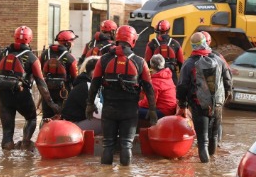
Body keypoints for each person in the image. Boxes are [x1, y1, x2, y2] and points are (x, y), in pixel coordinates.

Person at [86, 25, 158, 166]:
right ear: (132, 41)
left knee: (108, 145)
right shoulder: (140, 62)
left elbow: (94, 84)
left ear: (117, 39)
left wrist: (89, 104)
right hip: (130, 111)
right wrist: (152, 110)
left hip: (109, 110)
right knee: (126, 145)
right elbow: (149, 88)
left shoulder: (104, 60)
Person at [0, 26, 61, 150]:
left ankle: (7, 159)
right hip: (22, 95)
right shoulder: (32, 58)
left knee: (7, 131)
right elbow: (41, 83)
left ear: (14, 37)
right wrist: (51, 103)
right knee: (31, 118)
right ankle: (26, 142)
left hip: (3, 96)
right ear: (30, 39)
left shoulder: (3, 54)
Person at [176, 32, 233, 163]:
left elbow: (182, 86)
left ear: (192, 46)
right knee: (213, 136)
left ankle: (204, 170)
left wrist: (183, 104)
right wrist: (225, 97)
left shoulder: (189, 63)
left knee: (203, 140)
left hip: (198, 105)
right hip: (217, 104)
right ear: (205, 43)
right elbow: (228, 79)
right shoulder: (218, 59)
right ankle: (211, 171)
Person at [39, 30, 79, 120]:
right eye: (73, 42)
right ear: (68, 43)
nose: (73, 44)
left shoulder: (44, 54)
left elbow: (38, 70)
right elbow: (75, 79)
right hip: (63, 93)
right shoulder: (70, 58)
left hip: (46, 92)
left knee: (46, 117)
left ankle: (45, 131)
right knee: (63, 116)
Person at [61, 56, 103, 135]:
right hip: (72, 127)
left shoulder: (84, 83)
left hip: (75, 123)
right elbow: (97, 112)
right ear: (94, 72)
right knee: (108, 122)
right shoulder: (87, 86)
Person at [144, 19, 184, 86]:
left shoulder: (151, 44)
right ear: (168, 30)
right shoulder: (175, 44)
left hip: (156, 75)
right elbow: (181, 62)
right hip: (172, 76)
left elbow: (147, 62)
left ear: (157, 30)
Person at [138, 54, 177, 120]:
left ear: (151, 65)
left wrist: (137, 103)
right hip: (170, 108)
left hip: (163, 111)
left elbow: (148, 103)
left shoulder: (155, 81)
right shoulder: (167, 76)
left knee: (132, 111)